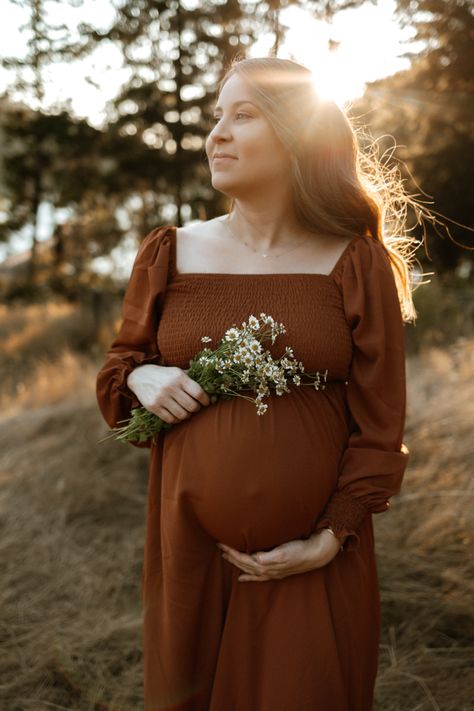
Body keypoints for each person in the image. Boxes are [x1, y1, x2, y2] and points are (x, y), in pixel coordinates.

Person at [96, 56, 414, 711]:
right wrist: (146, 375)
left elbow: (382, 423)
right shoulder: (170, 252)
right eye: (216, 115)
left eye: (243, 115)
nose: (216, 133)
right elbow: (116, 373)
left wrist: (331, 536)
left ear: (300, 136)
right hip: (191, 556)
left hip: (314, 562)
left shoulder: (355, 262)